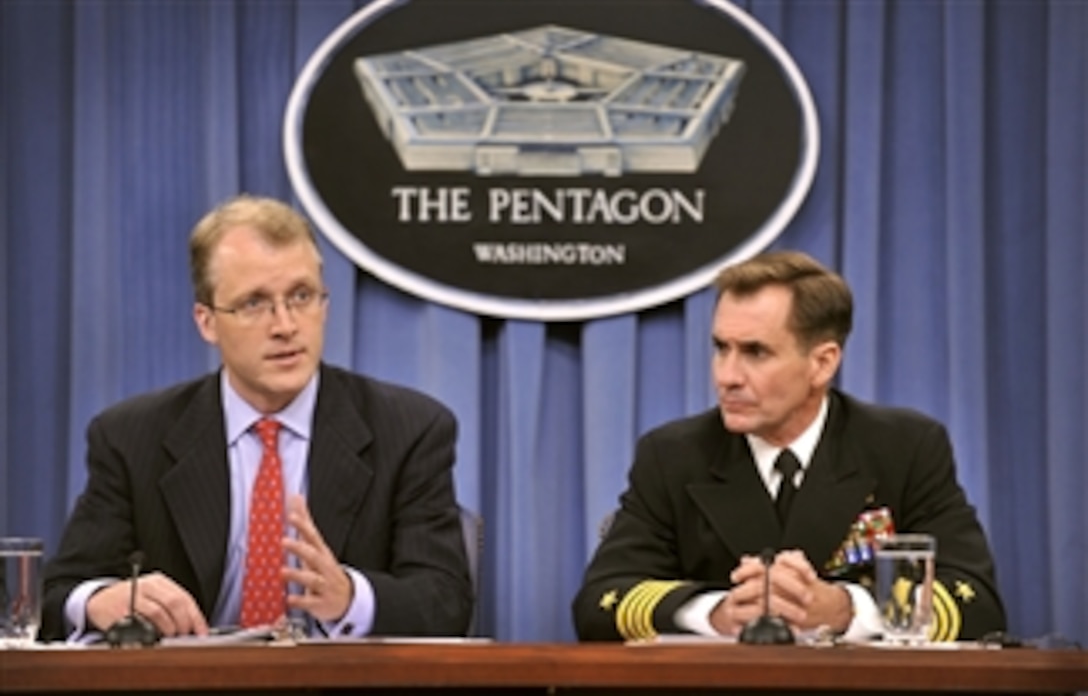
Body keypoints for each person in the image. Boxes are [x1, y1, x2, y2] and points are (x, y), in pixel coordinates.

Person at [41, 194, 472, 641]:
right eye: (254, 303)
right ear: (207, 322)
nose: (285, 325)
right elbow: (57, 595)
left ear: (324, 306)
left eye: (301, 296)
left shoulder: (409, 430)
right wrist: (99, 600)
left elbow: (446, 602)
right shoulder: (131, 438)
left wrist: (350, 598)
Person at [572, 250, 1005, 642]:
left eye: (755, 352)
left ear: (822, 362)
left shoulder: (904, 447)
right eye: (721, 348)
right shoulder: (673, 455)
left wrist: (846, 609)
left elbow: (977, 603)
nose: (727, 375)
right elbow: (600, 603)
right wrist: (716, 612)